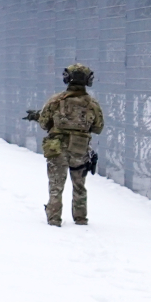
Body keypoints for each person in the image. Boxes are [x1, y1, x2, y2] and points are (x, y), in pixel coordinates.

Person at [34, 63, 103, 226]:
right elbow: (98, 127)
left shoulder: (55, 100)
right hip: (80, 149)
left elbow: (44, 123)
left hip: (56, 148)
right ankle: (80, 218)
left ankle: (54, 218)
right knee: (79, 185)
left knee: (56, 185)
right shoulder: (92, 104)